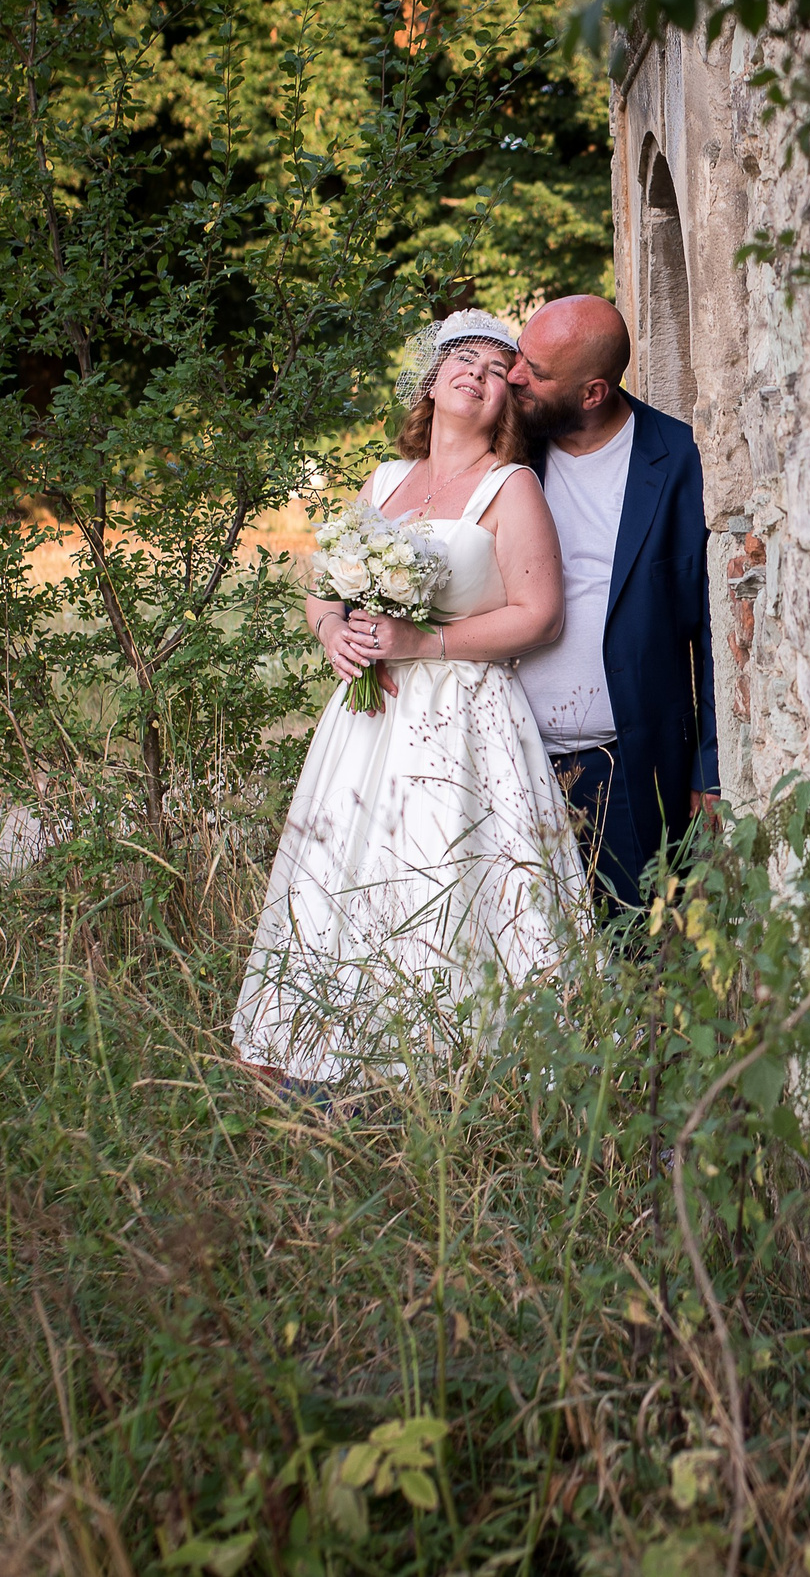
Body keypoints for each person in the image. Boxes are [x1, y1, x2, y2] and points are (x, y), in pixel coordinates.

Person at [233, 310, 583, 1089]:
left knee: (442, 869)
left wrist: (423, 643)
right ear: (431, 380)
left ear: (506, 403)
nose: (479, 373)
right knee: (346, 868)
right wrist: (333, 635)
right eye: (464, 358)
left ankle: (453, 1060)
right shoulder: (385, 482)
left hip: (461, 717)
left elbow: (540, 614)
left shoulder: (511, 487)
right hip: (368, 714)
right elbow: (325, 588)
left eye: (498, 371)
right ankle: (328, 1041)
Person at [505, 295, 719, 907]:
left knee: (637, 947)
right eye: (521, 353)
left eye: (537, 372)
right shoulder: (507, 449)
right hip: (506, 753)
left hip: (627, 762)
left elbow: (709, 632)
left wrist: (707, 770)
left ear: (592, 393)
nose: (515, 375)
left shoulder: (681, 459)